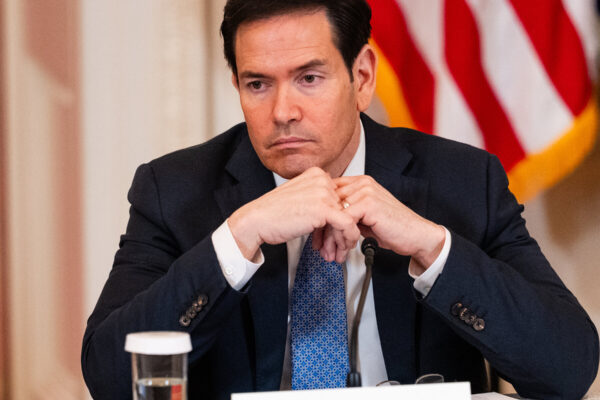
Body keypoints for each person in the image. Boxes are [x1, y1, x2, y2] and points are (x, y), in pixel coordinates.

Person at [81, 1, 599, 399]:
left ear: (362, 76)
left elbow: (568, 370)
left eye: (309, 78)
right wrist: (238, 238)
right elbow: (109, 377)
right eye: (258, 84)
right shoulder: (175, 190)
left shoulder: (462, 183)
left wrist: (432, 246)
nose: (283, 111)